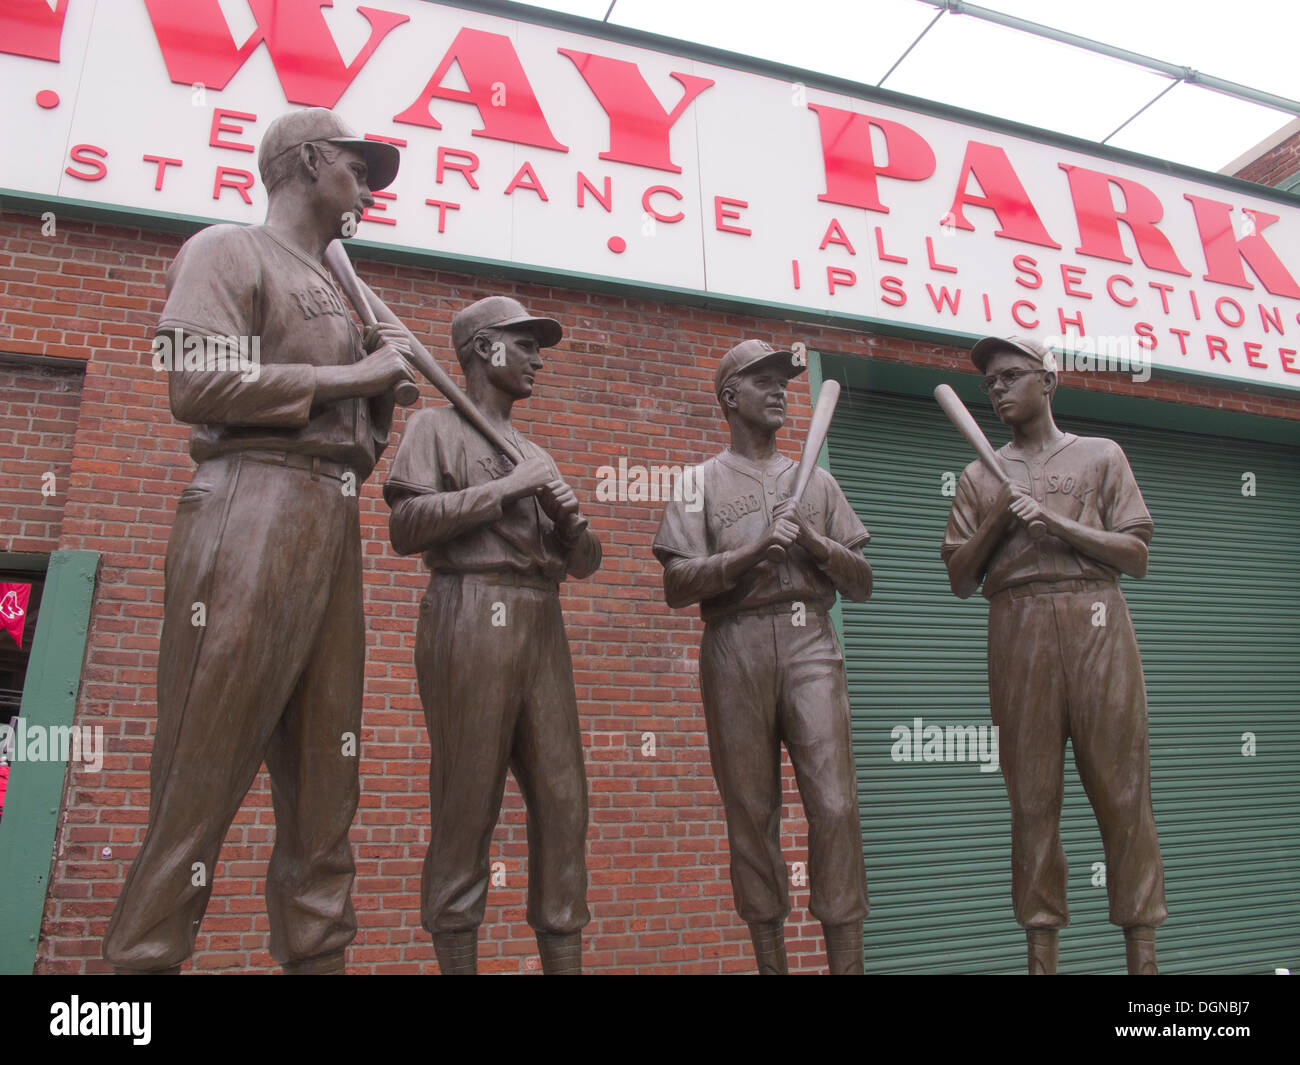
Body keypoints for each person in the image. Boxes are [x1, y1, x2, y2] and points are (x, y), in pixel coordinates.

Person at [103, 108, 415, 975]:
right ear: (309, 159)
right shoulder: (226, 249)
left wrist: (382, 392)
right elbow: (196, 384)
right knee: (197, 786)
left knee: (327, 795)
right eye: (359, 165)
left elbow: (356, 434)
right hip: (250, 504)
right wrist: (355, 374)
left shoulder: (341, 285)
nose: (368, 185)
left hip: (331, 517)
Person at [384, 296, 601, 975]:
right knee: (467, 804)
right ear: (483, 348)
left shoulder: (534, 451)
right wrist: (509, 489)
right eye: (525, 343)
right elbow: (406, 526)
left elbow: (586, 564)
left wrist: (571, 524)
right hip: (469, 606)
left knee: (565, 804)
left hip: (541, 618)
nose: (539, 358)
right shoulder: (434, 427)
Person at [940, 335, 1167, 975]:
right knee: (1032, 801)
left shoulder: (1101, 457)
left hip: (1097, 617)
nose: (1000, 390)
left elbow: (1136, 556)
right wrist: (1000, 519)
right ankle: (1042, 957)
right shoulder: (980, 475)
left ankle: (1143, 962)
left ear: (1050, 381)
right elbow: (959, 578)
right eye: (991, 384)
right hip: (1018, 623)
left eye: (1012, 376)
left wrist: (1057, 523)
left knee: (1124, 794)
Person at [652, 340, 872, 974]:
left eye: (785, 380)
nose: (781, 390)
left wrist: (814, 542)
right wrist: (750, 553)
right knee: (751, 812)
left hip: (809, 642)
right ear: (730, 398)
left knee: (834, 806)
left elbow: (861, 582)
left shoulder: (817, 481)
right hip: (734, 643)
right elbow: (676, 586)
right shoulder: (698, 484)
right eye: (765, 381)